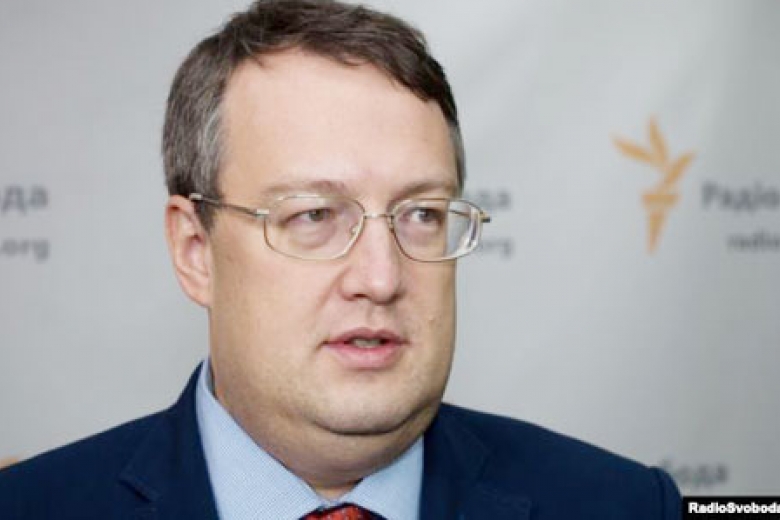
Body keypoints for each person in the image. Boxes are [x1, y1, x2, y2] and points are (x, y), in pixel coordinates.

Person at [0, 1, 682, 518]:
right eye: (314, 216)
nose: (381, 279)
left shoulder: (624, 505)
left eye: (421, 214)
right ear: (195, 251)